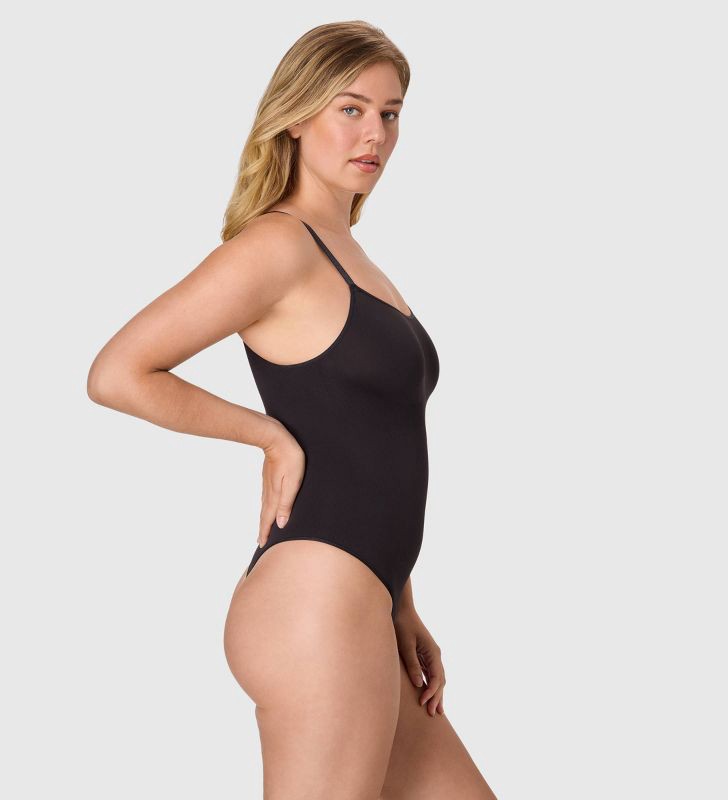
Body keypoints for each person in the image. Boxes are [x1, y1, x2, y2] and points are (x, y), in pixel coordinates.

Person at [88, 20, 497, 800]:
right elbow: (118, 372)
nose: (375, 133)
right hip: (314, 601)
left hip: (363, 604)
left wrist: (401, 602)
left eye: (391, 113)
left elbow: (370, 441)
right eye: (351, 108)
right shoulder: (278, 246)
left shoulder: (351, 253)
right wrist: (267, 436)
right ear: (297, 115)